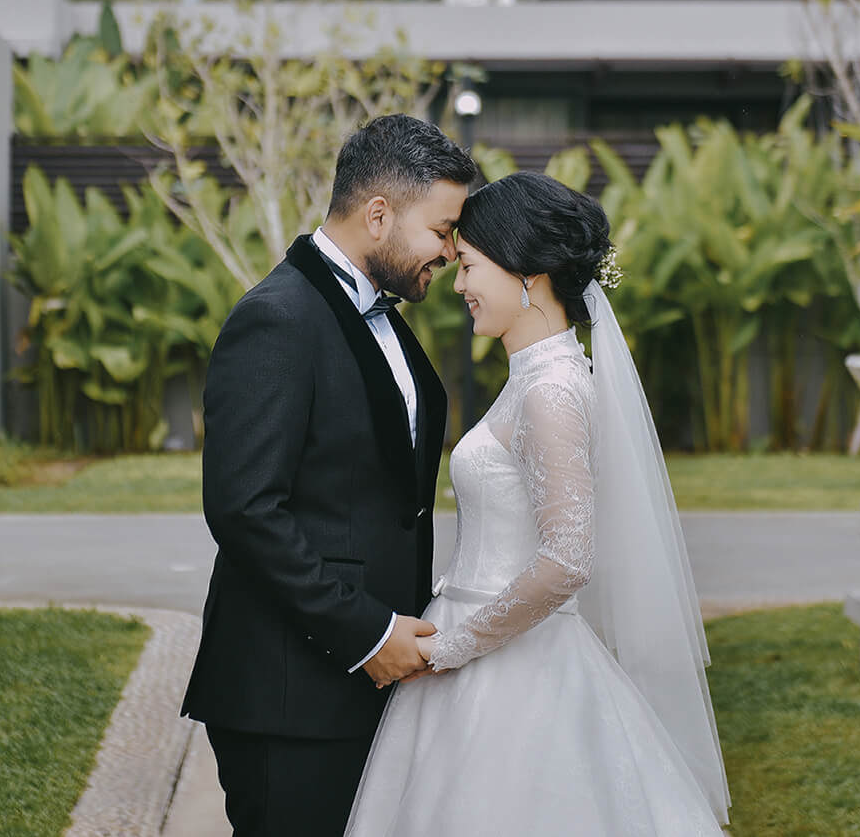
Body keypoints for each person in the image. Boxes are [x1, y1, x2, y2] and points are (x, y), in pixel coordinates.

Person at [344, 171, 731, 836]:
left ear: (529, 271)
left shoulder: (550, 391)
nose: (459, 285)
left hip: (512, 679)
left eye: (469, 266)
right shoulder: (537, 376)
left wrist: (452, 649)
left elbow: (566, 561)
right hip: (485, 653)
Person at [180, 114, 478, 837]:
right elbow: (246, 509)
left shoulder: (382, 314)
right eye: (442, 231)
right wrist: (369, 635)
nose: (451, 251)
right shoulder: (276, 319)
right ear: (379, 215)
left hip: (367, 684)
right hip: (289, 696)